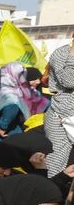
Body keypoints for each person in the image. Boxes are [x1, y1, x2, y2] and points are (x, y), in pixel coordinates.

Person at [43, 34, 74, 177]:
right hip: (62, 117)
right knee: (56, 164)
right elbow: (69, 80)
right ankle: (52, 196)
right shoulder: (62, 53)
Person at [0, 61, 51, 140]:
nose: (38, 82)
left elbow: (13, 105)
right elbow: (48, 104)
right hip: (22, 131)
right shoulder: (27, 91)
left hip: (7, 132)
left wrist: (2, 127)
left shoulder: (8, 89)